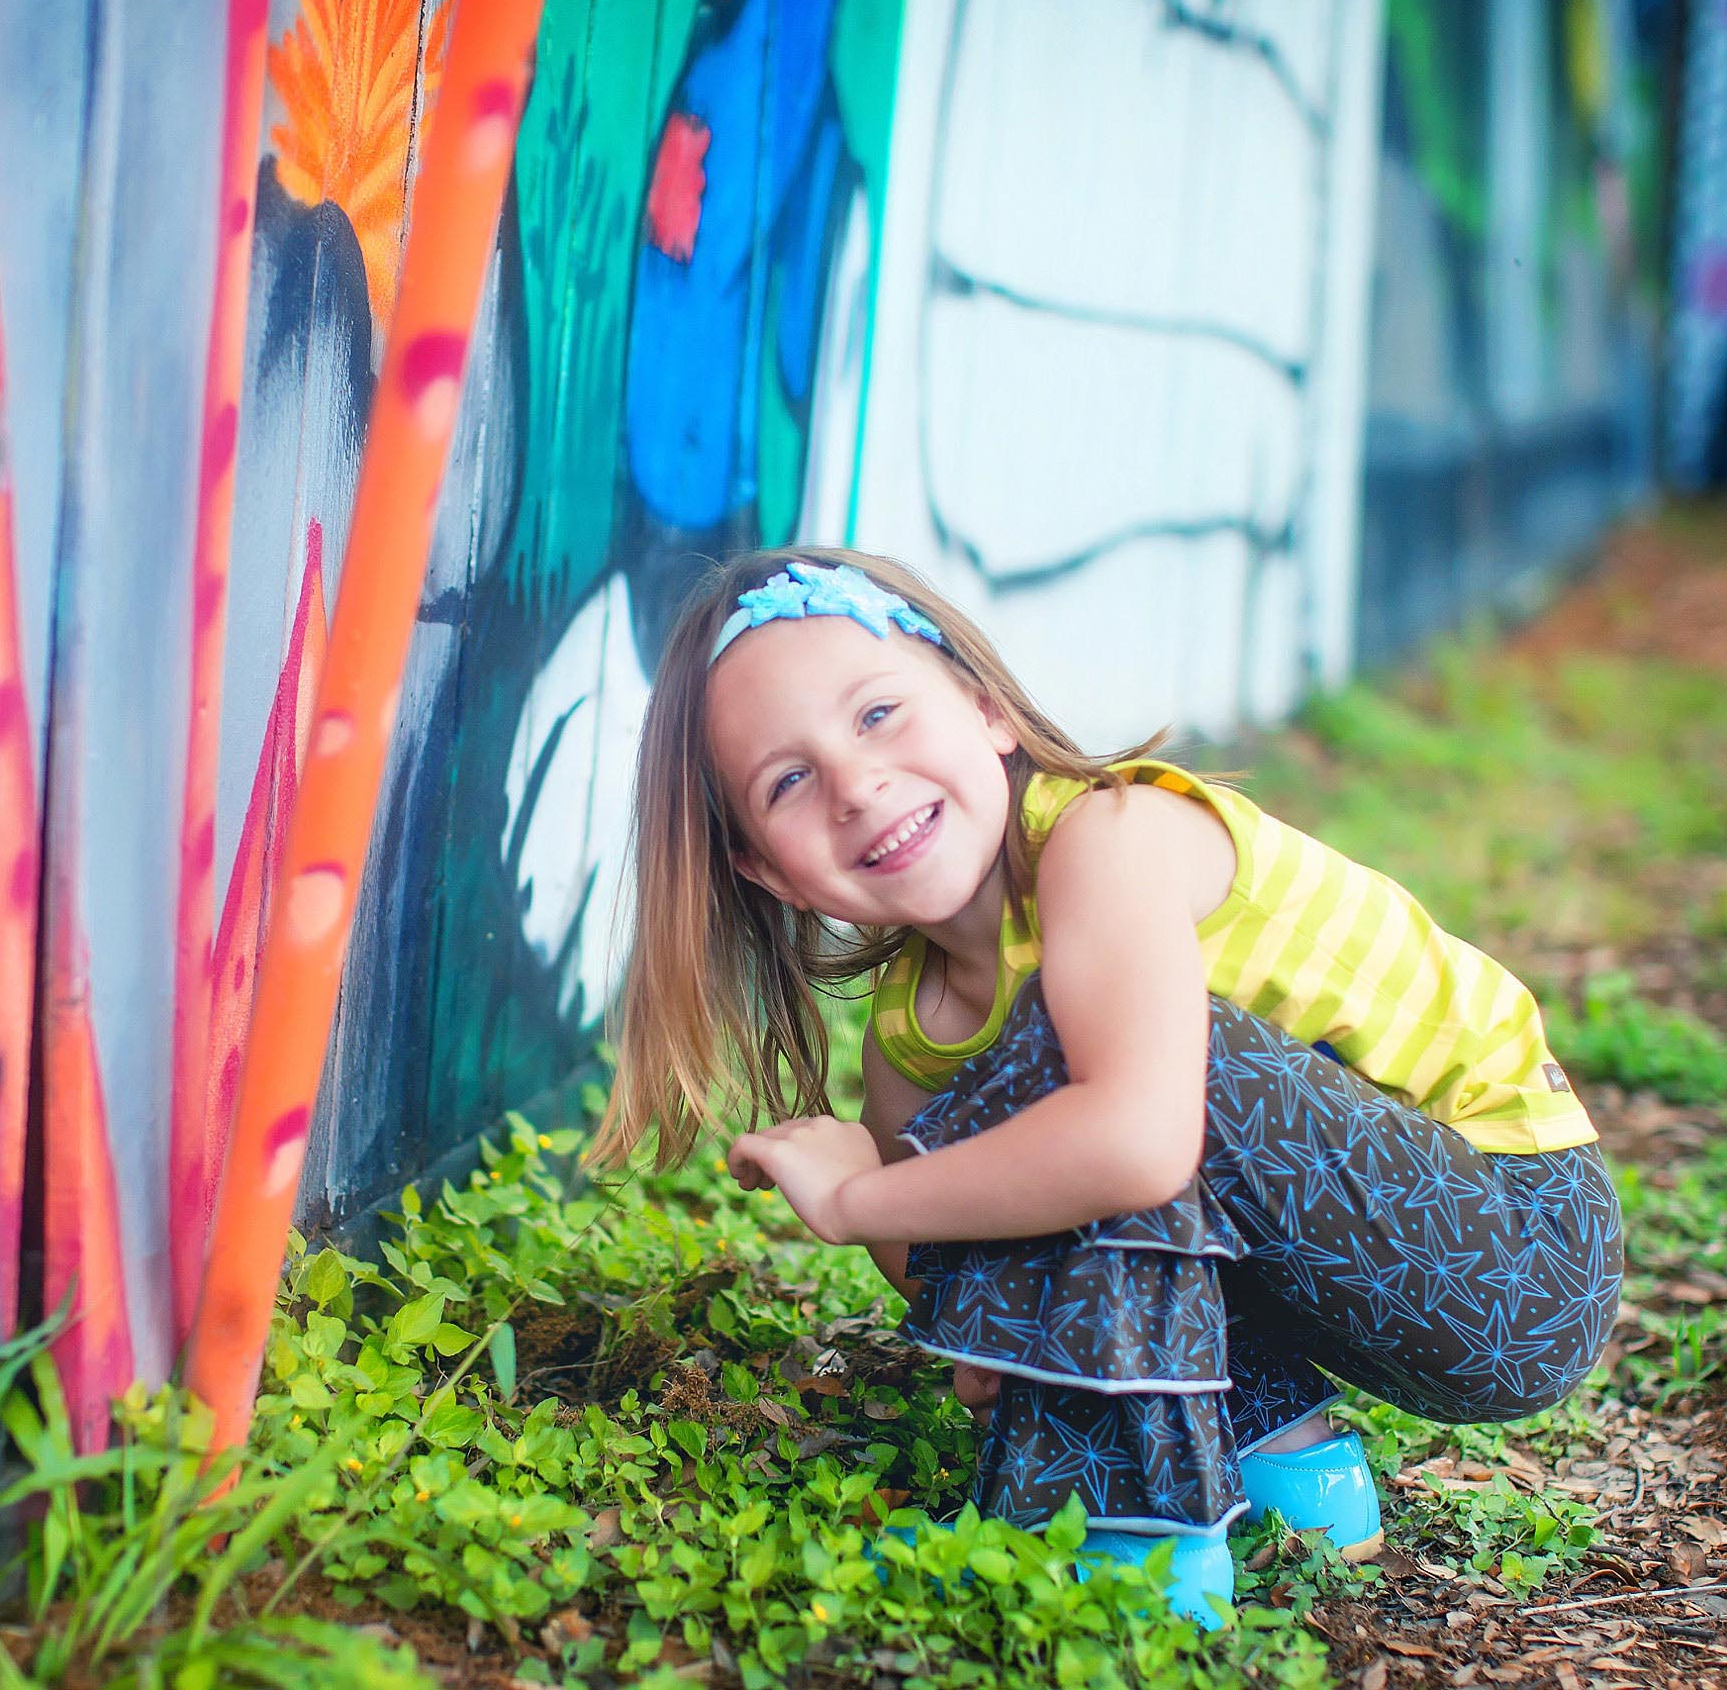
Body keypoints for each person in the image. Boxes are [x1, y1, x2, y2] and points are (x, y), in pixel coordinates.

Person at [590, 548, 1623, 1626]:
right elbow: (952, 1262)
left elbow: (1136, 1140)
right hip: (1389, 1277)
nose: (858, 785)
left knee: (1111, 1077)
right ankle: (1290, 1464)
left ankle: (1125, 1536)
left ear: (986, 708)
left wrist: (856, 1201)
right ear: (762, 866)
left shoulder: (1111, 836)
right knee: (1027, 1139)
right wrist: (1001, 1330)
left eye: (880, 713)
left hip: (1517, 1246)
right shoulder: (913, 1032)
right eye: (787, 783)